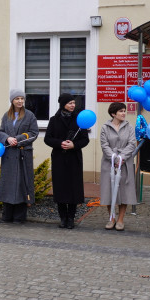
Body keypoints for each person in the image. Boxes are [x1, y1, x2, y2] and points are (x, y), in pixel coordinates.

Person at [44, 93, 90, 229]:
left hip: (74, 158)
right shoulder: (54, 120)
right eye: (70, 103)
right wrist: (60, 143)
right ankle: (63, 218)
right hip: (59, 158)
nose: (73, 105)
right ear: (63, 104)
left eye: (73, 103)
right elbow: (47, 138)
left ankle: (71, 218)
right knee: (60, 189)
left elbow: (85, 139)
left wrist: (73, 145)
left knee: (73, 189)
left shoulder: (79, 119)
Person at [0, 90, 40, 224]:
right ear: (12, 100)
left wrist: (18, 139)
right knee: (8, 185)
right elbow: (0, 132)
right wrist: (7, 139)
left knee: (22, 185)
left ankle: (19, 216)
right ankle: (7, 215)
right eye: (17, 99)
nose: (20, 101)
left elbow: (34, 133)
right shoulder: (6, 116)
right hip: (9, 155)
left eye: (22, 98)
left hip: (23, 155)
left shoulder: (29, 115)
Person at [98, 102, 137, 231]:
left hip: (125, 163)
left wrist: (122, 158)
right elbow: (104, 145)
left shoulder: (129, 127)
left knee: (124, 191)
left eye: (124, 111)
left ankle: (120, 219)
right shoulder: (105, 127)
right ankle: (111, 218)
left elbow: (132, 144)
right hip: (109, 163)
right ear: (113, 113)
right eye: (121, 111)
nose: (124, 113)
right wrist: (114, 158)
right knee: (109, 190)